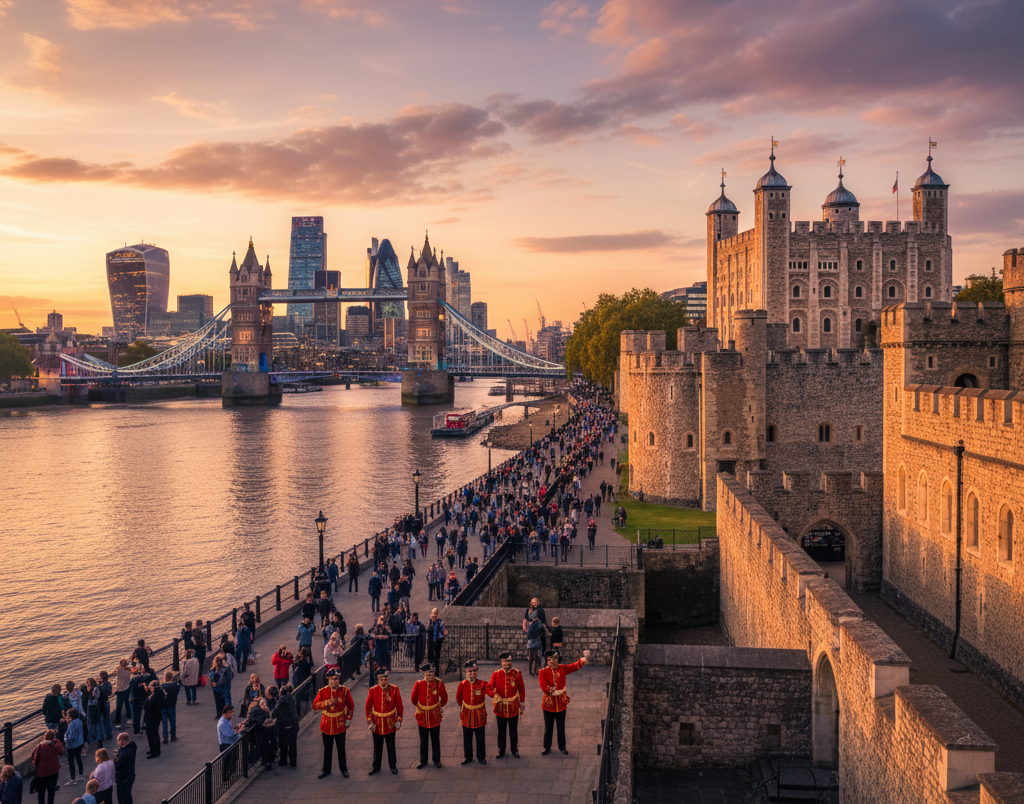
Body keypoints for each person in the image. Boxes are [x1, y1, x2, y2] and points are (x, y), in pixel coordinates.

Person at [538, 649, 588, 756]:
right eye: (549, 659)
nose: (551, 661)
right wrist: (551, 690)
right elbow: (544, 687)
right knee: (548, 727)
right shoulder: (543, 672)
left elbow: (574, 666)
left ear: (557, 660)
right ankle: (546, 746)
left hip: (561, 702)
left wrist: (583, 660)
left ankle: (562, 746)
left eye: (553, 659)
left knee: (561, 726)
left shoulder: (563, 669)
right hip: (549, 704)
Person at [312, 669, 354, 779]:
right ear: (328, 679)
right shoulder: (322, 691)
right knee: (327, 748)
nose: (335, 681)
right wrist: (325, 703)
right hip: (326, 724)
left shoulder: (344, 691)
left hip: (340, 723)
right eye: (332, 679)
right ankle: (326, 769)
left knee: (341, 748)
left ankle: (343, 769)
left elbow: (351, 705)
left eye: (336, 679)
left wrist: (349, 718)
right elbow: (315, 706)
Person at [487, 652, 526, 758]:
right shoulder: (496, 674)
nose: (507, 663)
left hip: (513, 706)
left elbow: (521, 689)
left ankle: (514, 749)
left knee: (513, 729)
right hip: (500, 707)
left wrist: (522, 702)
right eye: (504, 661)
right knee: (501, 730)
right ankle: (501, 749)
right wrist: (493, 695)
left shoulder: (517, 673)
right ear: (501, 662)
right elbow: (488, 687)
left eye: (509, 661)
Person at [364, 667, 402, 776]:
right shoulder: (373, 690)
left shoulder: (394, 689)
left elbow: (399, 706)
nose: (383, 681)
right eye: (381, 679)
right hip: (377, 722)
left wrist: (399, 719)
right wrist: (370, 721)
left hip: (390, 722)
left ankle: (393, 765)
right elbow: (368, 707)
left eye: (385, 679)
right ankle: (376, 766)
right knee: (377, 746)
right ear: (378, 679)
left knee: (391, 745)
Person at [410, 663, 447, 769]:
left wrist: (439, 707)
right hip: (422, 716)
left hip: (434, 716)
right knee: (423, 740)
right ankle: (423, 760)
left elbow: (444, 697)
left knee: (435, 739)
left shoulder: (439, 683)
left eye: (431, 673)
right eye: (428, 674)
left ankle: (437, 760)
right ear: (424, 674)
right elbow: (413, 698)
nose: (430, 676)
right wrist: (419, 707)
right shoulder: (418, 684)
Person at [456, 660, 489, 766]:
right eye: (470, 671)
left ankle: (481, 757)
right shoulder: (462, 684)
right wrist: (464, 708)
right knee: (467, 737)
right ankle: (468, 757)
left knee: (480, 737)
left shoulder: (482, 683)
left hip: (479, 714)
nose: (472, 673)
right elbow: (458, 698)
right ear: (466, 672)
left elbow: (491, 692)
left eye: (474, 671)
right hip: (467, 714)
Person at [30, 730, 64, 804]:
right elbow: (62, 751)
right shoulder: (55, 744)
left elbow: (33, 757)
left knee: (41, 793)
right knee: (51, 792)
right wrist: (57, 741)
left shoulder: (40, 746)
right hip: (53, 771)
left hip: (41, 773)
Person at [275, 685, 299, 768]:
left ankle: (283, 760)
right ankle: (293, 761)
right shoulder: (292, 699)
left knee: (283, 743)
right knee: (293, 744)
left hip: (283, 725)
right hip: (294, 723)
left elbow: (276, 712)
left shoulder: (281, 700)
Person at [142, 681, 164, 758]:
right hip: (154, 717)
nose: (149, 688)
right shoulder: (158, 694)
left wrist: (147, 701)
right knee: (152, 733)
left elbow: (150, 707)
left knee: (153, 733)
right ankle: (153, 749)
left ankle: (155, 750)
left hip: (152, 718)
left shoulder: (156, 696)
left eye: (150, 687)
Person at [63, 710, 85, 785]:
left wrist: (66, 740)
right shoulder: (79, 721)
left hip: (72, 746)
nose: (67, 716)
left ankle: (73, 779)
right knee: (78, 758)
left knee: (71, 762)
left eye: (68, 715)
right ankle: (81, 774)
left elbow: (72, 737)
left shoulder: (72, 724)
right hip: (79, 743)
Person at [112, 734, 135, 804]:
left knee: (123, 796)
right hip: (130, 775)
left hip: (123, 777)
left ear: (122, 741)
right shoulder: (131, 748)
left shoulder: (124, 753)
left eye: (118, 741)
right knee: (127, 794)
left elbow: (118, 766)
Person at [209, 656, 233, 722]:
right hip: (218, 688)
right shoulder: (215, 670)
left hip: (221, 687)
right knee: (221, 701)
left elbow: (221, 680)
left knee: (223, 701)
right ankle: (222, 713)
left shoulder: (223, 670)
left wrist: (216, 683)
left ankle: (224, 713)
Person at [159, 672, 180, 744]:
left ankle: (165, 738)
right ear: (172, 677)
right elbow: (177, 689)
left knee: (164, 723)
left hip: (163, 706)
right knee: (172, 722)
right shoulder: (175, 686)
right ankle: (173, 736)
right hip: (172, 706)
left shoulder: (162, 686)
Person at [113, 662, 132, 728]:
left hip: (119, 690)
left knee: (119, 707)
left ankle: (118, 722)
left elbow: (112, 673)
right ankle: (129, 718)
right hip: (126, 689)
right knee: (127, 704)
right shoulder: (128, 672)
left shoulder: (118, 671)